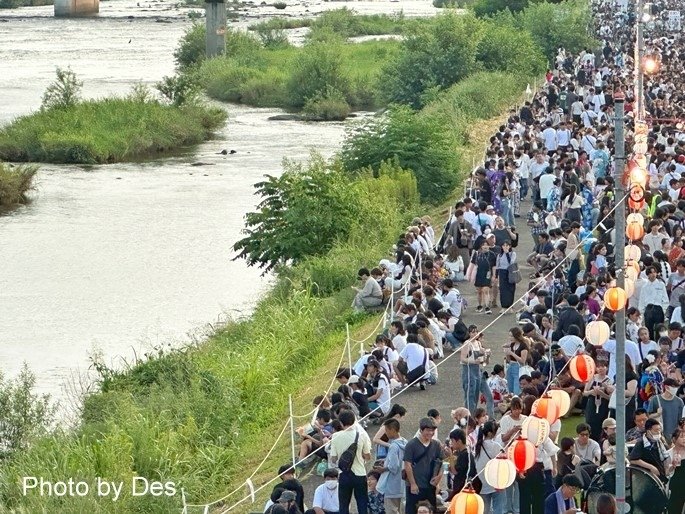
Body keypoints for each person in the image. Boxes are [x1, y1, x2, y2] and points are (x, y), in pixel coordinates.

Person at [330, 411, 372, 514]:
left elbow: (333, 459)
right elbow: (368, 456)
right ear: (354, 420)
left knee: (343, 505)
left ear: (340, 422)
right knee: (362, 504)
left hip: (344, 474)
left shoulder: (335, 436)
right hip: (360, 474)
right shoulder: (361, 435)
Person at [403, 418, 444, 514]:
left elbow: (442, 462)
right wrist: (413, 483)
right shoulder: (411, 444)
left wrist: (438, 479)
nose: (430, 433)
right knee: (412, 510)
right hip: (415, 486)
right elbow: (407, 465)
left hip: (430, 485)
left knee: (431, 510)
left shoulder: (436, 444)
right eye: (428, 430)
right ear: (421, 430)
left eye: (432, 430)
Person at [377, 419, 406, 514]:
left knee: (391, 510)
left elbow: (393, 466)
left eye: (386, 430)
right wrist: (385, 461)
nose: (385, 433)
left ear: (392, 430)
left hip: (391, 484)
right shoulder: (405, 442)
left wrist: (383, 468)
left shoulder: (393, 446)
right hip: (402, 483)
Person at [646, 377, 684, 444]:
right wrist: (657, 414)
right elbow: (648, 417)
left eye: (676, 388)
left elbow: (681, 420)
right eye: (673, 387)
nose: (675, 389)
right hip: (660, 436)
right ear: (666, 387)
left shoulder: (679, 402)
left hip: (674, 437)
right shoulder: (655, 400)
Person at [447, 428, 475, 500]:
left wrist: (450, 455)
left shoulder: (464, 454)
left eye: (452, 441)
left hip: (461, 488)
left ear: (459, 441)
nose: (451, 443)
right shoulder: (465, 452)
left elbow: (455, 472)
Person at [667, 427, 685, 514]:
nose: (684, 439)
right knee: (674, 509)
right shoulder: (668, 453)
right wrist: (672, 466)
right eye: (682, 437)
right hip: (676, 487)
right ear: (674, 439)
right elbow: (666, 472)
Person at [496, 240, 518, 313]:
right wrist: (496, 276)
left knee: (510, 289)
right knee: (503, 290)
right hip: (502, 273)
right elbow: (497, 266)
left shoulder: (513, 254)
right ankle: (503, 306)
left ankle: (510, 306)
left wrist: (507, 253)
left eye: (507, 245)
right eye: (503, 245)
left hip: (510, 272)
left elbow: (511, 262)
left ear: (510, 246)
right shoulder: (499, 255)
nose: (505, 247)